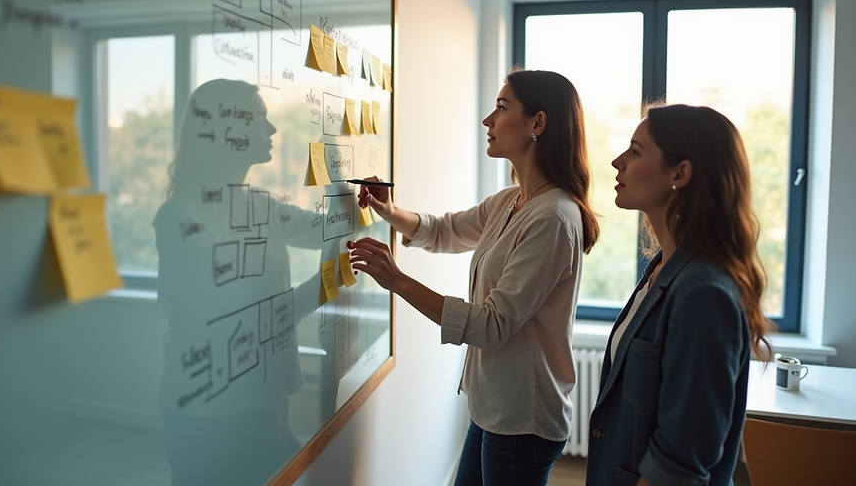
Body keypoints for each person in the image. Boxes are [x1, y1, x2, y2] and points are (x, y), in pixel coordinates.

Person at [348, 69, 600, 486]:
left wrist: (398, 281)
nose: (488, 121)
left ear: (538, 123)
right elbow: (443, 230)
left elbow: (492, 325)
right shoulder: (511, 201)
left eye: (501, 108)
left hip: (522, 419)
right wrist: (389, 211)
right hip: (492, 408)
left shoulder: (553, 217)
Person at [153, 79, 335, 486]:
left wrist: (362, 202)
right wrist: (328, 282)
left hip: (265, 405)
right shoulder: (179, 217)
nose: (270, 130)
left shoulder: (260, 205)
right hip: (211, 419)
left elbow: (329, 230)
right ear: (224, 131)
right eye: (259, 119)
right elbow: (248, 320)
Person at [585, 104, 774, 486]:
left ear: (680, 173)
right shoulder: (660, 267)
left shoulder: (703, 292)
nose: (617, 162)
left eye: (635, 151)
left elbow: (679, 464)